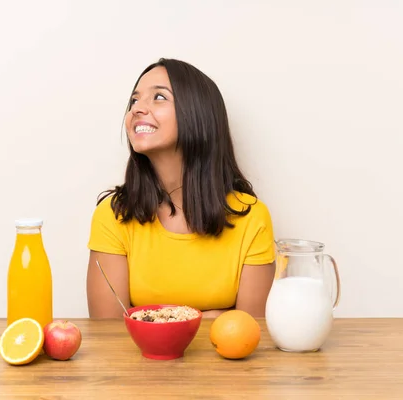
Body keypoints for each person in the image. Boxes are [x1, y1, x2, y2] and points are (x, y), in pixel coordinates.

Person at [86, 58, 276, 319]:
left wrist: (149, 319)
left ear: (196, 114)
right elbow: (109, 334)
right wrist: (210, 317)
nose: (137, 109)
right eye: (134, 100)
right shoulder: (113, 215)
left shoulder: (251, 218)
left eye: (159, 97)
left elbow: (249, 333)